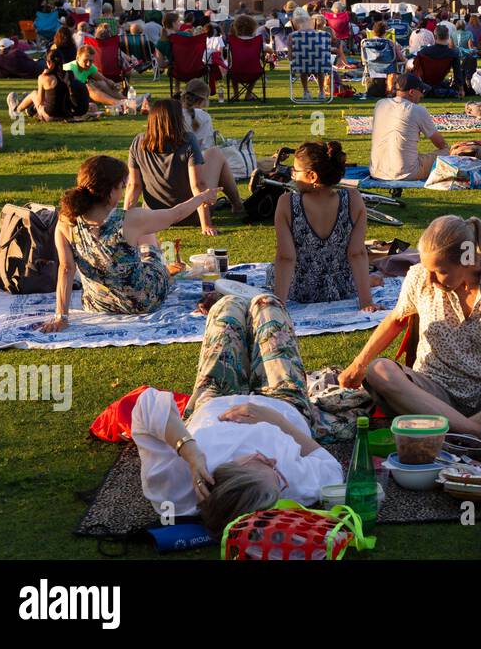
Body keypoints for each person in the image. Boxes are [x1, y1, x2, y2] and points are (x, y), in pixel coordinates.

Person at [130, 293, 345, 537]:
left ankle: (231, 301)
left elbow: (146, 404)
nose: (274, 464)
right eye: (277, 476)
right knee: (267, 304)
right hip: (282, 403)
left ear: (230, 468)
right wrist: (272, 418)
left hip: (214, 399)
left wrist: (189, 452)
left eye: (262, 462)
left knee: (227, 305)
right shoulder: (288, 484)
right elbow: (331, 468)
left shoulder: (177, 490)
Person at [343, 215, 481, 443]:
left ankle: (458, 430)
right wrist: (357, 366)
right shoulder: (418, 276)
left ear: (467, 260)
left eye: (439, 271)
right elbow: (396, 320)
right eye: (427, 269)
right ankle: (477, 433)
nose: (430, 278)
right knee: (378, 370)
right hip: (432, 391)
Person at [40, 155, 213, 332]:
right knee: (149, 241)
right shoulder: (130, 218)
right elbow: (175, 214)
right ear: (111, 190)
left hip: (99, 303)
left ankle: (160, 265)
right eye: (122, 187)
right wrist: (203, 197)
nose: (122, 192)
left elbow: (67, 269)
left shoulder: (65, 221)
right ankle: (167, 269)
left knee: (140, 240)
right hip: (145, 301)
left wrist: (61, 317)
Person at [270, 140, 378, 310]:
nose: (293, 176)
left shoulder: (286, 203)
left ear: (312, 176)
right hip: (342, 288)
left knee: (271, 269)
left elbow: (286, 257)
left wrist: (278, 306)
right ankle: (371, 281)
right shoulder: (353, 199)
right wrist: (366, 302)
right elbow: (357, 253)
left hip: (301, 290)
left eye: (295, 171)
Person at [126, 100, 245, 237]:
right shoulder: (187, 140)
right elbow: (198, 184)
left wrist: (123, 220)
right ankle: (237, 205)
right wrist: (206, 224)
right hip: (189, 214)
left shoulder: (138, 142)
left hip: (155, 216)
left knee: (210, 155)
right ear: (178, 119)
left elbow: (134, 186)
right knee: (215, 153)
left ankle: (237, 205)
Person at [368, 73, 449, 182]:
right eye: (421, 91)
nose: (422, 96)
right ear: (412, 92)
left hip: (376, 171)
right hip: (406, 173)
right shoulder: (416, 110)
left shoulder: (380, 104)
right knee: (449, 151)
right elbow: (440, 144)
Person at [180, 78, 216, 150]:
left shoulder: (173, 112)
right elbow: (200, 145)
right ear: (203, 100)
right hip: (196, 157)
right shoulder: (204, 117)